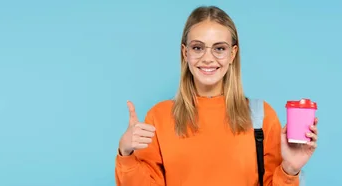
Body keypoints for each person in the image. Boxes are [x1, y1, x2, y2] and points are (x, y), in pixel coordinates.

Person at [114, 5, 318, 186]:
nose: (208, 58)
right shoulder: (159, 116)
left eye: (219, 48)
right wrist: (126, 153)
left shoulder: (261, 116)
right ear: (185, 53)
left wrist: (290, 170)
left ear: (232, 54)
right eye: (197, 48)